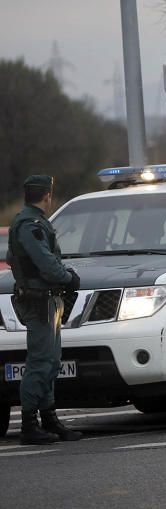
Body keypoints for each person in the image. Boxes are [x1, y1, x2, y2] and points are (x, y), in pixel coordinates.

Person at [6, 175, 83, 444]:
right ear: (47, 196)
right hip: (39, 302)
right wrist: (67, 277)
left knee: (51, 362)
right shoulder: (30, 224)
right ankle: (29, 424)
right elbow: (45, 262)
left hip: (47, 300)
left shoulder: (30, 222)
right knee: (40, 363)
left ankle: (49, 419)